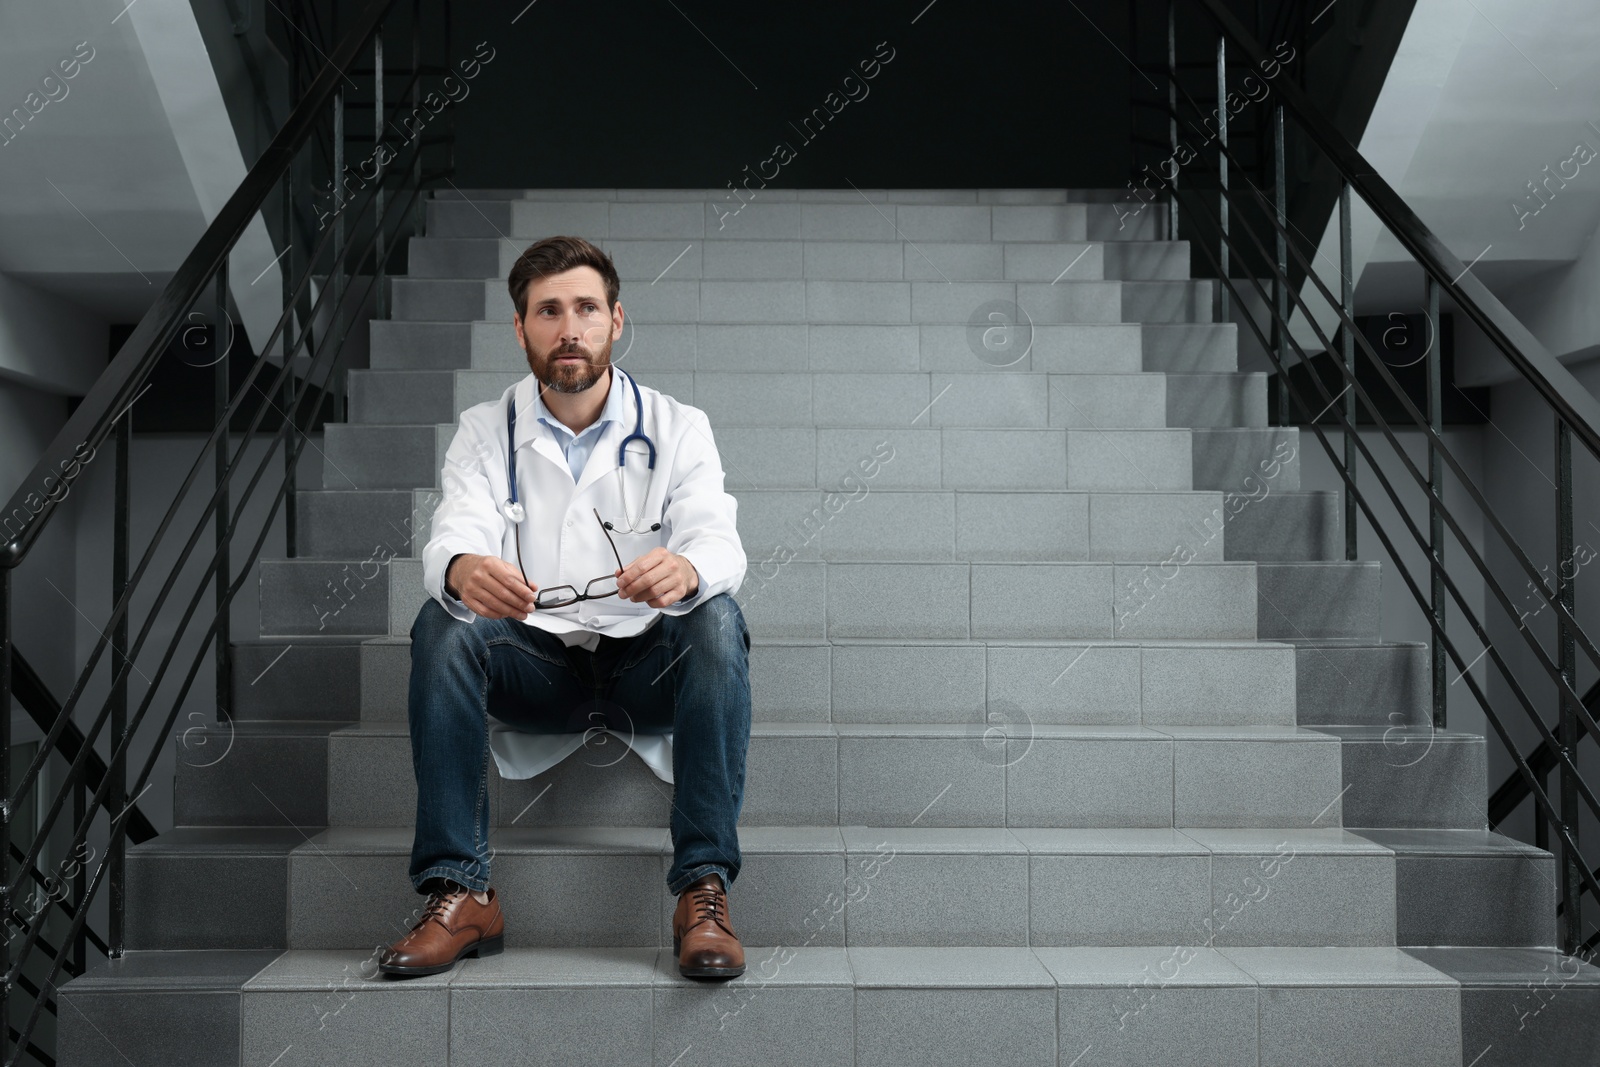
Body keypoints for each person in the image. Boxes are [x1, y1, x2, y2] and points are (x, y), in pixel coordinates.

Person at [378, 235, 751, 981]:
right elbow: (455, 530)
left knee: (715, 614)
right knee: (441, 621)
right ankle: (461, 888)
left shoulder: (678, 426)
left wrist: (685, 566)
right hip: (536, 665)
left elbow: (721, 542)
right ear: (521, 329)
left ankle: (701, 890)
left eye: (585, 307)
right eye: (548, 311)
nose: (568, 327)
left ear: (617, 319)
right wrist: (462, 566)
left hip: (648, 664)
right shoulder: (488, 430)